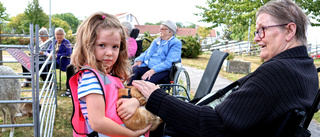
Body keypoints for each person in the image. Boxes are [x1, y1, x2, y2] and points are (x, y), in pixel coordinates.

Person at [129, 0, 319, 136]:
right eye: (256, 31)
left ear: (290, 30)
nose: (255, 37)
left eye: (262, 29)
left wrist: (157, 98)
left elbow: (214, 125)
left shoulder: (276, 73)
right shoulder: (306, 69)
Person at [69, 11, 151, 137]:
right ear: (87, 46)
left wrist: (136, 101)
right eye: (102, 45)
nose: (110, 53)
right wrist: (130, 134)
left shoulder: (109, 74)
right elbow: (98, 122)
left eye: (115, 47)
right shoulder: (91, 78)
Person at [127, 20, 182, 85]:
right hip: (148, 66)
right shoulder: (156, 41)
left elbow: (169, 62)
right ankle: (128, 93)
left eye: (162, 29)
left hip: (162, 70)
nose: (159, 30)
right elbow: (146, 53)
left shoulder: (175, 43)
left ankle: (139, 94)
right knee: (132, 71)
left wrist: (153, 70)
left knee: (145, 81)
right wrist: (139, 60)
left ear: (170, 32)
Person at [44, 27, 72, 93]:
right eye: (57, 34)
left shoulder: (66, 42)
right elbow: (46, 51)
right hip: (53, 61)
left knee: (46, 66)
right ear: (55, 35)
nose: (59, 36)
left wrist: (56, 56)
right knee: (41, 66)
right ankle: (51, 84)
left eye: (61, 34)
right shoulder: (54, 42)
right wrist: (48, 55)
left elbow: (68, 53)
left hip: (62, 61)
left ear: (63, 35)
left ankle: (54, 85)